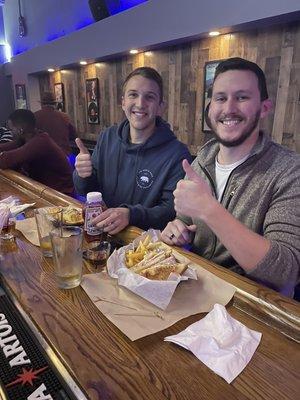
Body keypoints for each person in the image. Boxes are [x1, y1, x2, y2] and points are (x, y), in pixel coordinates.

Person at [161, 57, 300, 297]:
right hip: (194, 291)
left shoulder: (289, 170)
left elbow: (284, 271)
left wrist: (209, 209)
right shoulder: (203, 159)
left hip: (251, 308)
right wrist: (177, 230)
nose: (229, 108)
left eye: (242, 97)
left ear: (265, 108)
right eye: (220, 98)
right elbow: (183, 222)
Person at [74, 66, 192, 234]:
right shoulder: (107, 137)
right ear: (123, 102)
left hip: (143, 249)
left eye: (149, 97)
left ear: (160, 107)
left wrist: (131, 215)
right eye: (133, 95)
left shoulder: (177, 154)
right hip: (101, 235)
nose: (140, 103)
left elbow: (171, 211)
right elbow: (86, 190)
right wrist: (82, 175)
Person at [0, 109, 74, 195]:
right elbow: (5, 148)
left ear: (20, 130)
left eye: (11, 129)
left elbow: (6, 160)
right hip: (43, 189)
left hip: (61, 194)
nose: (10, 133)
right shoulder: (25, 139)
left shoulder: (40, 142)